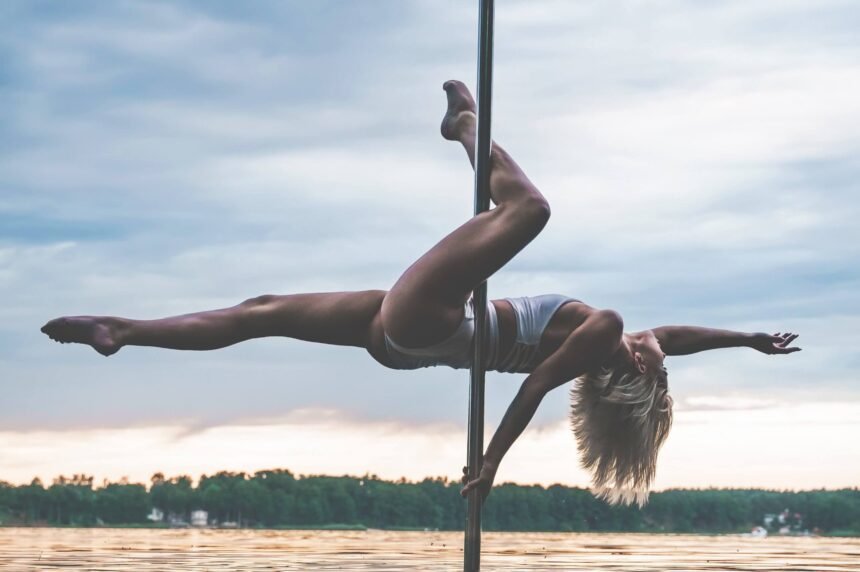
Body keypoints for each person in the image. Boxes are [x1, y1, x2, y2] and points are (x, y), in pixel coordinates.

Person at [41, 80, 801, 506]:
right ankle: (122, 330)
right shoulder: (616, 350)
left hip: (430, 322)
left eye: (653, 358)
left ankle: (464, 126)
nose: (657, 343)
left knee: (530, 211)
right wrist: (751, 340)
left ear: (631, 373)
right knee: (262, 311)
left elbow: (536, 385)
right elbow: (685, 336)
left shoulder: (604, 332)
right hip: (410, 342)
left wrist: (491, 462)